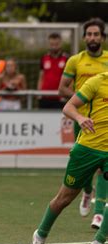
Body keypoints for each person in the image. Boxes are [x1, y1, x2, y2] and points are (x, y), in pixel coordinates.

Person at [28, 71, 108, 244]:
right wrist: (80, 118)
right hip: (87, 150)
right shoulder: (97, 81)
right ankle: (40, 235)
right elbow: (68, 107)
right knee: (63, 199)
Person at [58, 18, 108, 228]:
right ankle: (87, 191)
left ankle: (98, 213)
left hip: (104, 121)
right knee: (83, 164)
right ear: (84, 37)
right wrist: (83, 97)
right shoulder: (75, 60)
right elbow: (62, 88)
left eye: (96, 34)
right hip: (82, 119)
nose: (92, 38)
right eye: (89, 34)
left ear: (103, 37)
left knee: (104, 167)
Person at [37, 33, 69, 110]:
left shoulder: (66, 59)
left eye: (56, 44)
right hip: (45, 96)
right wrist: (39, 93)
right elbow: (41, 77)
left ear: (60, 44)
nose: (54, 47)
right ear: (48, 44)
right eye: (52, 44)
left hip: (60, 97)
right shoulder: (44, 58)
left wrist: (66, 95)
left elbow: (70, 80)